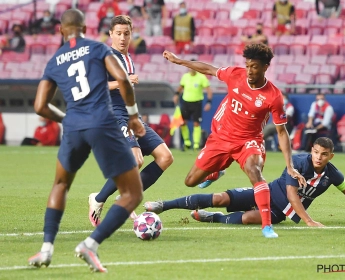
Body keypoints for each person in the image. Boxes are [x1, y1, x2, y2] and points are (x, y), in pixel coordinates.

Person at [27, 9, 146, 273]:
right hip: (102, 122)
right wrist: (134, 117)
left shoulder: (55, 60)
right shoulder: (96, 48)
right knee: (133, 192)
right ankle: (91, 244)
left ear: (61, 30)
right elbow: (123, 80)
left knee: (60, 183)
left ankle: (46, 249)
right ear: (84, 27)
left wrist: (65, 119)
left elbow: (39, 106)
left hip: (74, 126)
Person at [163, 43, 306, 238]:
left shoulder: (273, 96)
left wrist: (289, 166)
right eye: (247, 66)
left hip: (249, 141)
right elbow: (209, 69)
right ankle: (216, 172)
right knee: (190, 181)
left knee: (254, 172)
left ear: (265, 67)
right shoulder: (235, 74)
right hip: (221, 137)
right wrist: (179, 61)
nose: (249, 71)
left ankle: (266, 226)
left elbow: (282, 132)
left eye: (254, 67)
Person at [145, 137, 345, 227]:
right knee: (220, 198)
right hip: (267, 192)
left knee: (244, 219)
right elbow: (292, 194)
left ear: (331, 156)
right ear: (312, 151)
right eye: (316, 152)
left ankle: (213, 219)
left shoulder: (333, 175)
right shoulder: (299, 163)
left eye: (324, 154)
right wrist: (309, 221)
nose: (319, 157)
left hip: (278, 213)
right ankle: (164, 205)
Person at [88, 15, 173, 227]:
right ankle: (98, 199)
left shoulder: (127, 58)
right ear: (111, 34)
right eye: (118, 33)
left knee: (165, 157)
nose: (123, 38)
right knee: (135, 160)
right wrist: (122, 81)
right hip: (115, 115)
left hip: (132, 115)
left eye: (126, 33)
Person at [174, 59, 213, 150]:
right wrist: (176, 94)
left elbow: (209, 90)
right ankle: (187, 142)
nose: (191, 69)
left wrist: (209, 102)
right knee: (183, 122)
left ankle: (196, 144)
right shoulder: (185, 77)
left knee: (196, 123)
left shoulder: (201, 77)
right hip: (186, 102)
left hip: (197, 102)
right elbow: (181, 87)